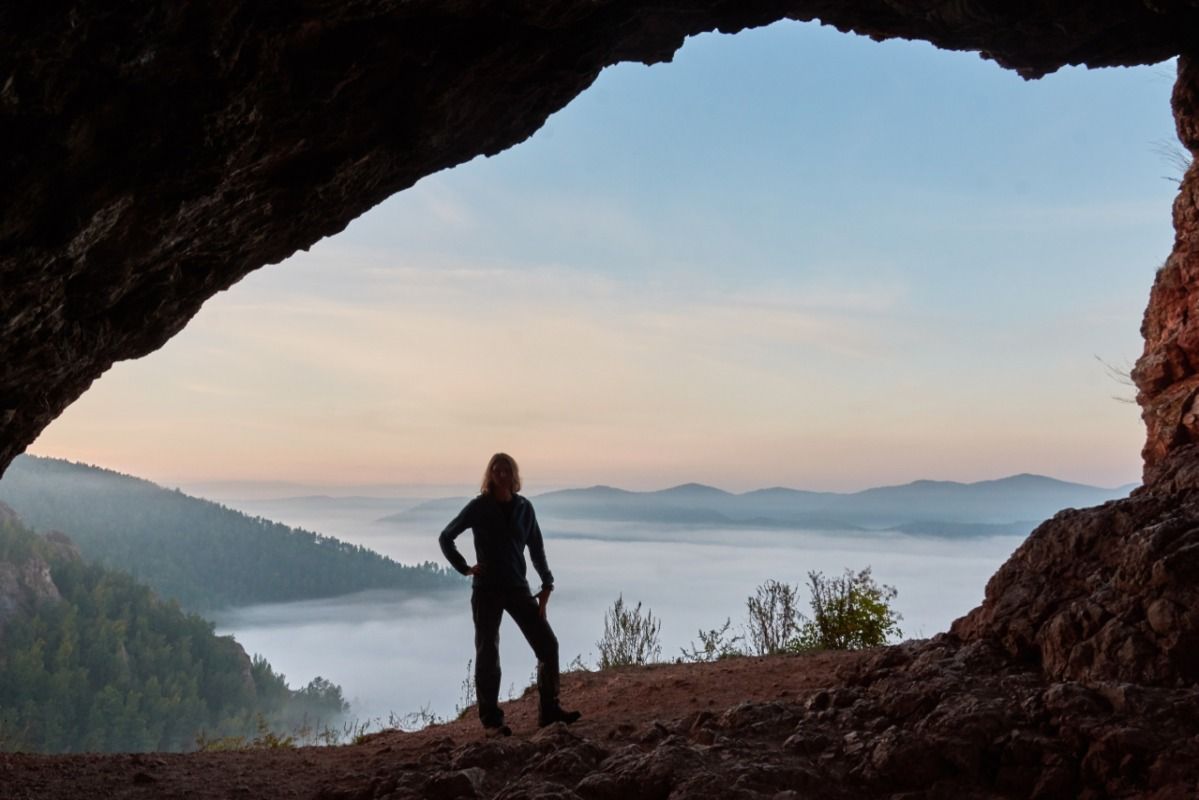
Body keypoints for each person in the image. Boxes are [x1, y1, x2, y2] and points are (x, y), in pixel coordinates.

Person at [439, 452, 581, 736]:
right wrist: (466, 569)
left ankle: (549, 712)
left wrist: (547, 584)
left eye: (507, 470)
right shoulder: (479, 507)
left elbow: (536, 549)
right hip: (487, 590)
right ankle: (491, 720)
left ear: (514, 475)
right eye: (497, 469)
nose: (502, 474)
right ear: (490, 475)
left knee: (547, 645)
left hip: (518, 587)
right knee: (488, 654)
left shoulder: (525, 508)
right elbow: (446, 537)